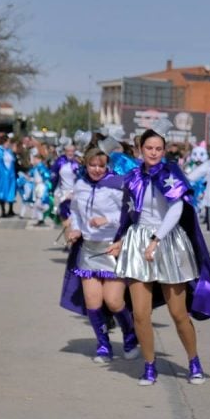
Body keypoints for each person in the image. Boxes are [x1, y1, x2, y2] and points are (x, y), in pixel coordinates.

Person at [110, 130, 210, 386]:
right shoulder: (133, 177)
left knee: (178, 313)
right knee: (139, 313)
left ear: (163, 150)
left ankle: (194, 361)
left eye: (158, 148)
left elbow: (177, 207)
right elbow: (128, 214)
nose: (153, 152)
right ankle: (149, 365)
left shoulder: (171, 172)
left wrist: (157, 239)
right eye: (149, 148)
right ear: (140, 149)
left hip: (168, 241)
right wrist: (121, 239)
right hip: (139, 241)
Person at [59, 148, 138, 362]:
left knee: (113, 302)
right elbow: (75, 211)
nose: (96, 169)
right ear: (85, 164)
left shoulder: (115, 185)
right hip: (88, 250)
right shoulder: (81, 185)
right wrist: (75, 229)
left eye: (101, 166)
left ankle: (130, 335)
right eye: (92, 165)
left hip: (112, 248)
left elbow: (129, 212)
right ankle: (103, 345)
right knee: (93, 303)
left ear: (107, 166)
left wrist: (107, 219)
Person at [0, 132, 18, 218]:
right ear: (4, 142)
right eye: (8, 142)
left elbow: (12, 162)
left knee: (6, 192)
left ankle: (4, 211)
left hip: (9, 176)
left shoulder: (9, 151)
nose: (9, 143)